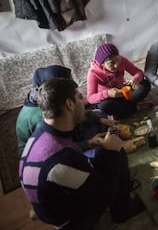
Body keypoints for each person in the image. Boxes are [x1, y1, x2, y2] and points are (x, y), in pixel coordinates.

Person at [19, 78, 145, 229]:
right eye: (79, 97)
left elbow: (60, 153)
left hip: (55, 196)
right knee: (115, 153)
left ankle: (121, 202)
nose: (84, 101)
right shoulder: (63, 159)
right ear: (69, 104)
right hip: (69, 221)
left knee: (104, 152)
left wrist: (91, 143)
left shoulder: (41, 131)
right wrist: (114, 151)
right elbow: (103, 198)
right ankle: (121, 211)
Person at [16, 65, 113, 156]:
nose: (80, 96)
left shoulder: (48, 99)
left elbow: (79, 114)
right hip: (49, 153)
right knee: (100, 152)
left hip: (62, 137)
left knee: (98, 115)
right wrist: (89, 143)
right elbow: (58, 147)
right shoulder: (44, 118)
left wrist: (99, 120)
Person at [87, 43, 152, 118]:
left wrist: (135, 79)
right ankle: (135, 107)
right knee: (104, 106)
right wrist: (107, 93)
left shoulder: (122, 60)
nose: (116, 65)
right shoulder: (93, 73)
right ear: (102, 64)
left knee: (145, 84)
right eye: (111, 63)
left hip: (123, 89)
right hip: (110, 97)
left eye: (117, 60)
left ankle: (124, 109)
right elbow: (90, 98)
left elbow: (139, 72)